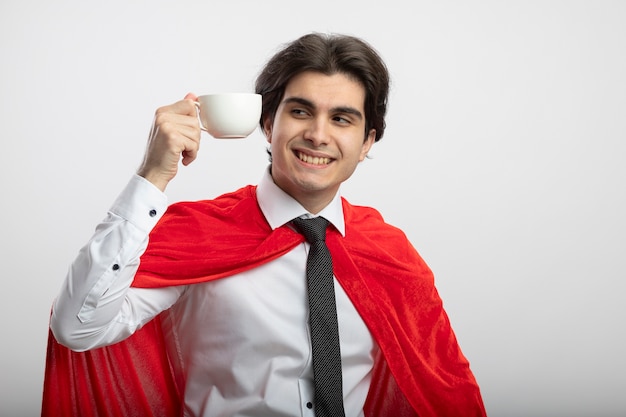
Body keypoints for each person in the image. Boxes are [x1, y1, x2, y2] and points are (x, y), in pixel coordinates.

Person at [43, 32, 486, 417]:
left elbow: (442, 389)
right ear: (268, 121)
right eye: (299, 111)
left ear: (367, 140)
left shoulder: (389, 252)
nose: (317, 134)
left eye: (342, 119)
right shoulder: (198, 232)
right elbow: (77, 328)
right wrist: (152, 176)